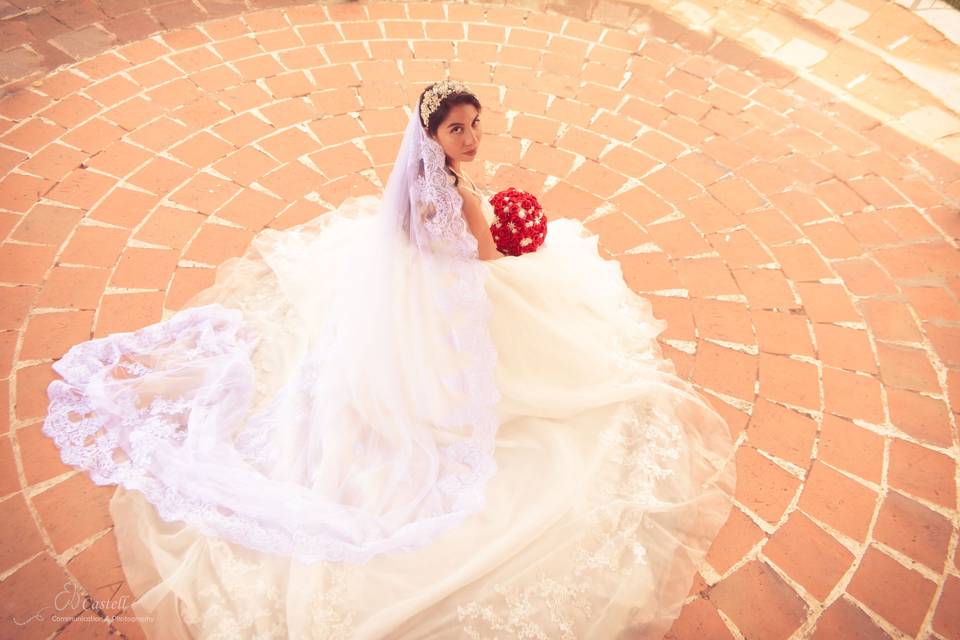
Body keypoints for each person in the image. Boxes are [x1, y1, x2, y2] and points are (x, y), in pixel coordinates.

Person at [42, 79, 737, 639]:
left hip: (414, 293)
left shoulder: (415, 181)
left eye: (474, 125)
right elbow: (485, 255)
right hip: (459, 291)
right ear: (432, 135)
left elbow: (417, 240)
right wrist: (520, 237)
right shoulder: (461, 194)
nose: (469, 138)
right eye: (457, 128)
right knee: (541, 334)